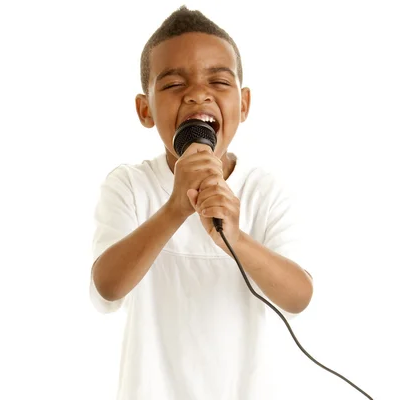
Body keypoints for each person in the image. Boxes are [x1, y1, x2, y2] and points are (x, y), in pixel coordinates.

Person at [89, 6, 313, 400]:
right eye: (174, 84)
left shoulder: (265, 191)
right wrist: (176, 207)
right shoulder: (129, 185)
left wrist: (236, 240)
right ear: (145, 109)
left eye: (218, 81)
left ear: (243, 104)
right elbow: (107, 288)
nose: (197, 94)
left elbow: (299, 296)